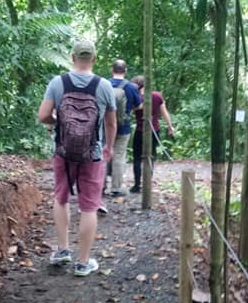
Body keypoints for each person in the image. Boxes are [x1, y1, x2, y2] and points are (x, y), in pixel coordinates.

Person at [38, 38, 116, 276]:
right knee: (89, 207)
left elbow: (43, 116)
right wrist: (108, 147)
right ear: (94, 59)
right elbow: (111, 123)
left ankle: (62, 250)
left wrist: (58, 121)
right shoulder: (104, 86)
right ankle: (83, 263)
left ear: (72, 58)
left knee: (61, 198)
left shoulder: (57, 82)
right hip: (92, 154)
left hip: (63, 152)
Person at [130, 75, 175, 194]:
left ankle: (136, 185)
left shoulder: (137, 97)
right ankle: (147, 184)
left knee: (137, 158)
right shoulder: (157, 96)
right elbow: (164, 113)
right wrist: (170, 126)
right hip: (154, 130)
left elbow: (130, 110)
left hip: (140, 130)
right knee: (150, 157)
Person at [107, 59, 142, 197]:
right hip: (123, 126)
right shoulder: (131, 87)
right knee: (119, 155)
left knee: (104, 154)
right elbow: (139, 105)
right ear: (125, 71)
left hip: (105, 125)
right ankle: (116, 188)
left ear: (112, 69)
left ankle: (101, 186)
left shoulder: (105, 84)